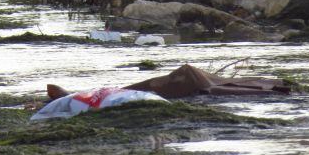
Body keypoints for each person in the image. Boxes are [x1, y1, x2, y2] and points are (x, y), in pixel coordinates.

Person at [46, 64, 290, 100]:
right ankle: (83, 96)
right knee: (190, 78)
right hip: (195, 81)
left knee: (189, 79)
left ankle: (81, 96)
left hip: (192, 83)